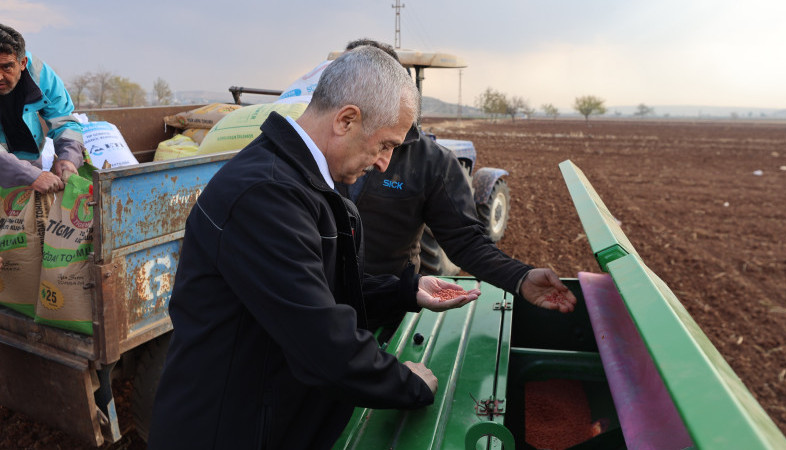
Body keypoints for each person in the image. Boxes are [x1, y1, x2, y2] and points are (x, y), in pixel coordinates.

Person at [148, 46, 479, 449]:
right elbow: (321, 342)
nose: (385, 164)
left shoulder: (303, 182)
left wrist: (403, 290)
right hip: (230, 429)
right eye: (386, 145)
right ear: (346, 120)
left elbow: (316, 288)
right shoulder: (266, 194)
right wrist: (408, 383)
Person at [325, 39, 578, 330]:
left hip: (382, 309)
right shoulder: (320, 148)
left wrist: (519, 277)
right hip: (310, 301)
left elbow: (464, 239)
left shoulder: (432, 162)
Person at [0, 24, 84, 193]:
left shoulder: (40, 75)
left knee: (29, 212)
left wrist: (68, 158)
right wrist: (31, 175)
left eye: (7, 66)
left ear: (22, 62)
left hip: (27, 158)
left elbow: (64, 121)